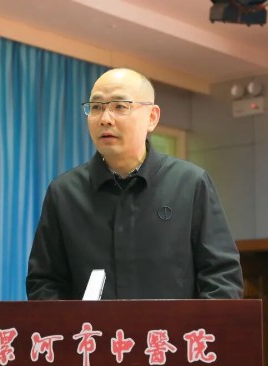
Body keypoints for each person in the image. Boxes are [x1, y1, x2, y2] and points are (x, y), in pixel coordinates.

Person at [26, 68, 243, 300]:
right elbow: (45, 283)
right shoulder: (65, 193)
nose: (105, 119)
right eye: (96, 107)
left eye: (120, 106)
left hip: (171, 326)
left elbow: (222, 278)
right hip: (90, 326)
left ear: (152, 117)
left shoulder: (190, 184)